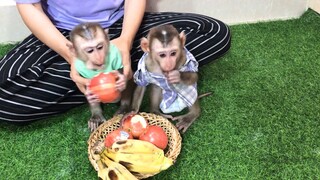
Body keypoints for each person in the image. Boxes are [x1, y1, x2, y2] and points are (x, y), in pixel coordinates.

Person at [0, 0, 231, 123]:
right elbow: (29, 5)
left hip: (121, 25)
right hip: (64, 34)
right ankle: (121, 79)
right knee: (4, 97)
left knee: (213, 32)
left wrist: (126, 40)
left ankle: (132, 74)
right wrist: (71, 55)